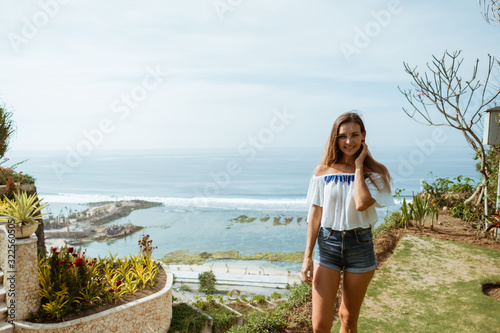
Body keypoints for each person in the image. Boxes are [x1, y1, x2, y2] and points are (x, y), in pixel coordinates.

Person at [301, 112, 393, 333]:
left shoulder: (376, 173)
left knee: (348, 319)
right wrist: (307, 257)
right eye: (343, 136)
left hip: (359, 246)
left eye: (354, 135)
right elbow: (315, 214)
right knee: (319, 326)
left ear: (363, 136)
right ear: (336, 138)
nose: (349, 141)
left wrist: (359, 165)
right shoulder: (323, 171)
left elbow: (361, 203)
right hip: (328, 244)